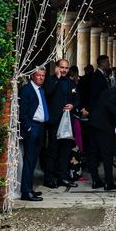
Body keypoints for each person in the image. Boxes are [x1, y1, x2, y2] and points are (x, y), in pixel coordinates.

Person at [42, 58, 80, 189]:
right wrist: (57, 79)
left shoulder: (71, 83)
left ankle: (62, 177)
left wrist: (73, 105)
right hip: (54, 122)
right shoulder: (50, 80)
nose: (64, 70)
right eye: (62, 67)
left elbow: (78, 99)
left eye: (66, 68)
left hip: (67, 122)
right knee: (53, 150)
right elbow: (47, 93)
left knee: (65, 150)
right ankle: (49, 178)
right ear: (57, 68)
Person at [87, 83, 116, 190]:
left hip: (93, 123)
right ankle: (108, 182)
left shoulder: (109, 90)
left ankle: (95, 181)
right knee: (107, 154)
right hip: (104, 126)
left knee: (93, 153)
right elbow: (109, 104)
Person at [18, 67, 49, 202]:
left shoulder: (40, 90)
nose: (41, 78)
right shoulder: (26, 90)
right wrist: (29, 128)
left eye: (43, 75)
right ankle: (26, 192)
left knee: (33, 159)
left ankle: (29, 189)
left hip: (40, 127)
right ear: (32, 76)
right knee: (29, 160)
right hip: (32, 127)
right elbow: (22, 113)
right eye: (38, 75)